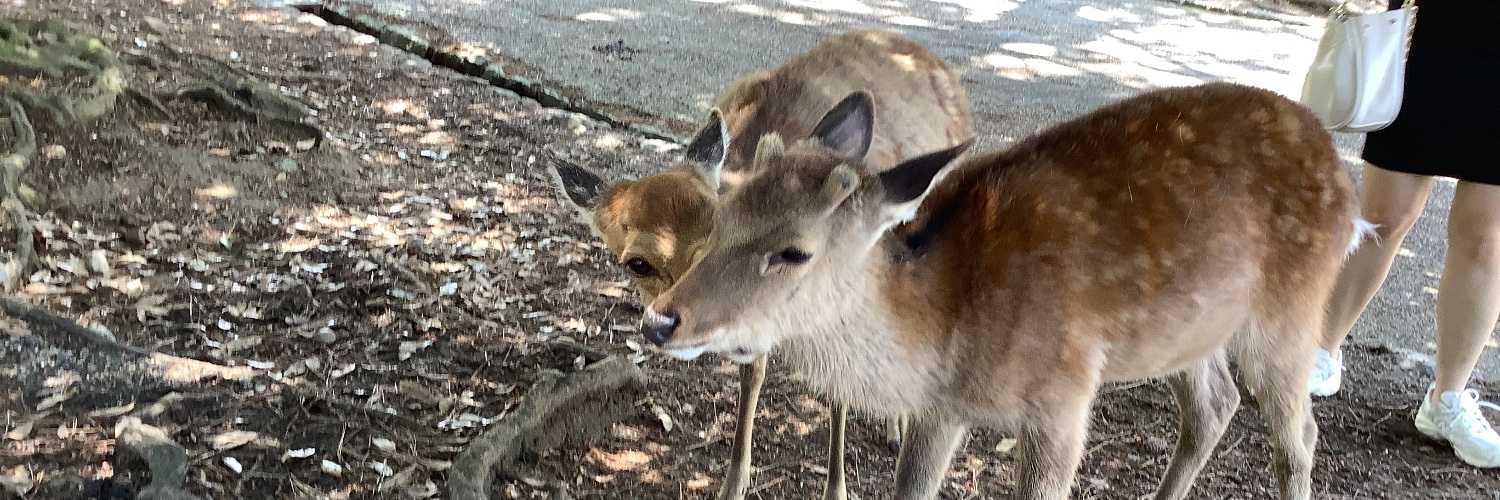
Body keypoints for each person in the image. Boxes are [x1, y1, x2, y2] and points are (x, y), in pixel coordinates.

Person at [1308, 0, 1500, 468]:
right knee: (1384, 218)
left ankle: (1446, 400)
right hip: (1430, 42)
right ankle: (1316, 351)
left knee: (1486, 238)